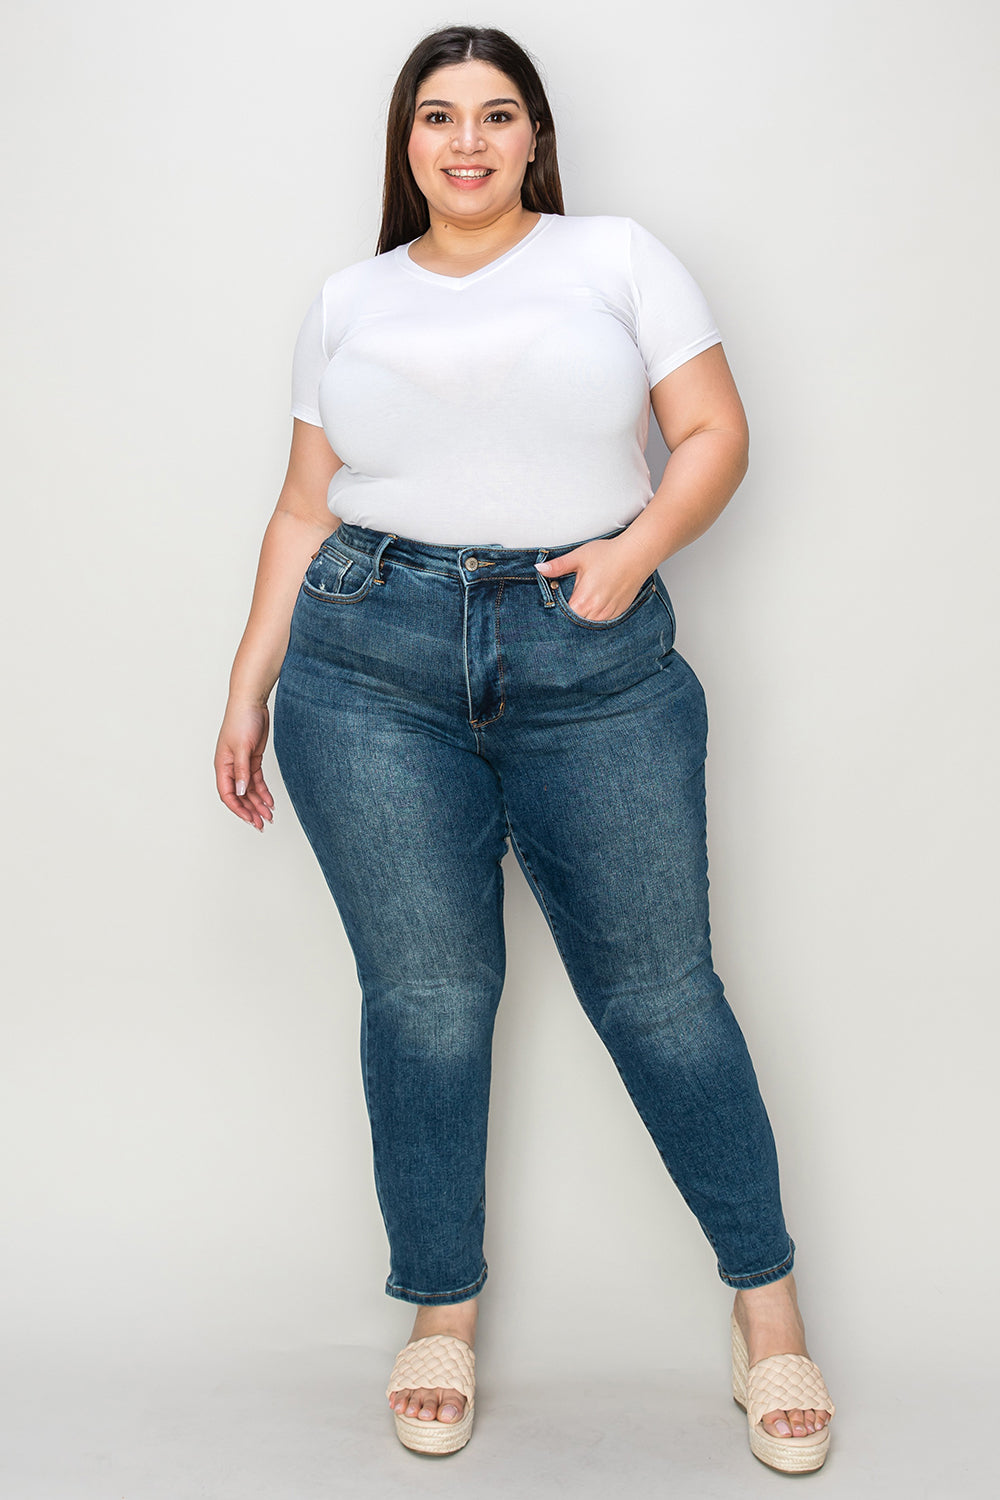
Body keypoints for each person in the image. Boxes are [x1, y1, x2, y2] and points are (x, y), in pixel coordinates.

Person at [213, 23, 835, 1473]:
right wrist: (248, 685)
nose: (468, 142)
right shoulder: (347, 298)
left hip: (590, 653)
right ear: (408, 143)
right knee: (426, 999)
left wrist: (637, 551)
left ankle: (771, 1320)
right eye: (439, 118)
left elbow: (713, 432)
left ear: (534, 139)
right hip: (366, 659)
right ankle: (438, 1309)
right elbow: (305, 506)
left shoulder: (616, 256)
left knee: (665, 995)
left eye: (498, 116)